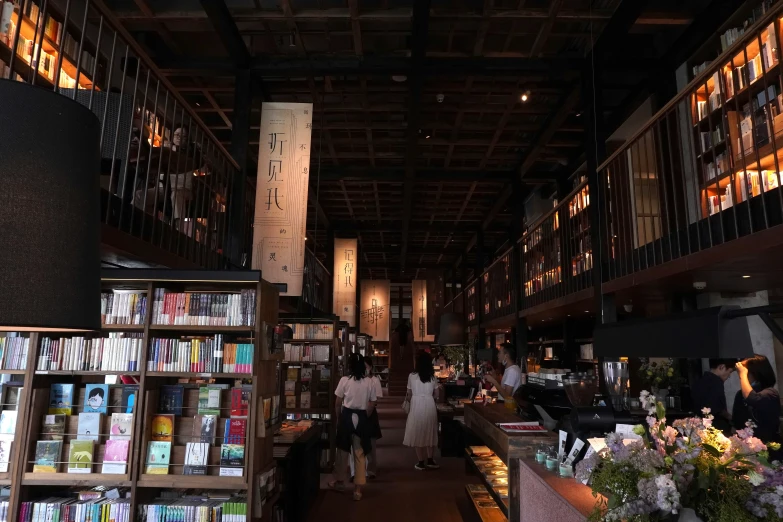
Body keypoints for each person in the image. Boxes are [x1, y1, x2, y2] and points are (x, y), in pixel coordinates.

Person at [329, 353, 377, 501]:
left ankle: (340, 482)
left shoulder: (344, 381)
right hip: (361, 417)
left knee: (343, 451)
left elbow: (338, 403)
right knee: (360, 453)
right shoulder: (369, 382)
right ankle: (358, 489)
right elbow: (372, 403)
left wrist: (339, 418)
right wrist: (365, 416)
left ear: (349, 366)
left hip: (347, 417)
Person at [733, 355, 781, 457]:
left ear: (756, 373)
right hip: (746, 450)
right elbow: (736, 421)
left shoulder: (770, 393)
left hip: (768, 450)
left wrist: (742, 374)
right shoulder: (740, 395)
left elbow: (752, 399)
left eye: (747, 373)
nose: (742, 377)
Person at [403, 352, 440, 471]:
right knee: (430, 430)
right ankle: (430, 459)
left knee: (418, 430)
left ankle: (420, 462)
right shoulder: (433, 377)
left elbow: (408, 394)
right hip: (429, 404)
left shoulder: (412, 376)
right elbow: (437, 394)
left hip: (416, 404)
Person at [351, 359, 383, 480]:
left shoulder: (374, 380)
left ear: (370, 367)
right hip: (357, 413)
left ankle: (371, 469)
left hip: (369, 413)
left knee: (370, 443)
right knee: (355, 443)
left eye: (366, 366)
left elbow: (375, 400)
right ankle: (356, 471)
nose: (364, 369)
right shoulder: (352, 380)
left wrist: (367, 411)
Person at [692, 358, 736, 433]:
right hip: (715, 427)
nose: (729, 376)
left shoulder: (700, 381)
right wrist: (731, 418)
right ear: (721, 367)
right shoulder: (716, 382)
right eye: (729, 372)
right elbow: (717, 408)